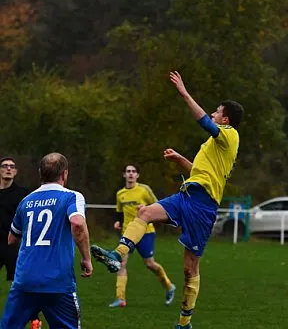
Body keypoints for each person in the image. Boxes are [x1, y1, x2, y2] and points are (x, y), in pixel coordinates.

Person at [92, 71, 244, 329]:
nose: (213, 113)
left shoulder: (229, 134)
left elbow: (205, 123)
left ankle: (184, 323)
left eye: (217, 111)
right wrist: (180, 160)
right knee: (145, 213)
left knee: (189, 269)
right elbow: (198, 171)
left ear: (226, 118)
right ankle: (117, 255)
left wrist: (184, 93)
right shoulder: (214, 144)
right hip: (186, 196)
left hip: (203, 206)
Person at [0, 152, 93, 329]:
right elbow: (78, 223)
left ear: (40, 173)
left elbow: (12, 239)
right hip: (56, 282)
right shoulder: (72, 196)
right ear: (65, 173)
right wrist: (86, 258)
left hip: (24, 281)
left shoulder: (26, 201)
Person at [109, 163, 176, 308]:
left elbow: (159, 206)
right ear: (124, 175)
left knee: (150, 264)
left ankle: (169, 286)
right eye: (128, 171)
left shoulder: (144, 190)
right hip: (128, 233)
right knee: (121, 264)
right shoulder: (120, 194)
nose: (131, 174)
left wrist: (145, 209)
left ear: (137, 175)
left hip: (146, 232)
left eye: (133, 171)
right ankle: (120, 298)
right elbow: (120, 212)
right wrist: (117, 222)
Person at [0, 157, 29, 283]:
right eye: (5, 166)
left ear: (15, 172)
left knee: (17, 282)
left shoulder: (23, 193)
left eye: (11, 166)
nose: (8, 169)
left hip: (14, 243)